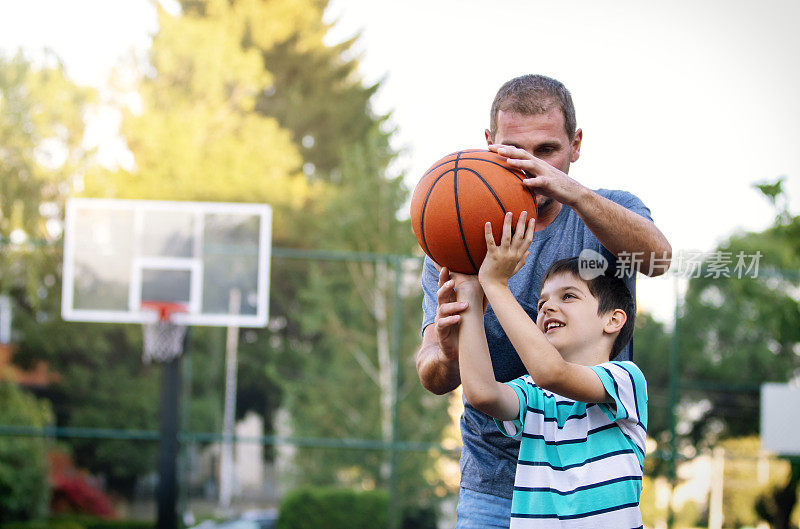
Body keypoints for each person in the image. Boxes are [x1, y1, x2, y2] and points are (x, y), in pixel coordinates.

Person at [415, 74, 669, 527]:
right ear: (488, 142)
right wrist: (450, 352)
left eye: (547, 151)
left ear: (575, 144)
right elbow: (439, 374)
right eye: (513, 149)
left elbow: (659, 258)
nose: (529, 166)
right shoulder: (455, 236)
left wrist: (566, 189)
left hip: (591, 482)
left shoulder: (605, 211)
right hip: (494, 484)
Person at [453, 215, 646, 527]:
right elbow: (482, 393)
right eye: (541, 303)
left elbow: (553, 373)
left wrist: (496, 284)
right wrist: (469, 295)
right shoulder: (534, 392)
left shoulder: (625, 380)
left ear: (613, 320)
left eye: (568, 296)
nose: (547, 308)